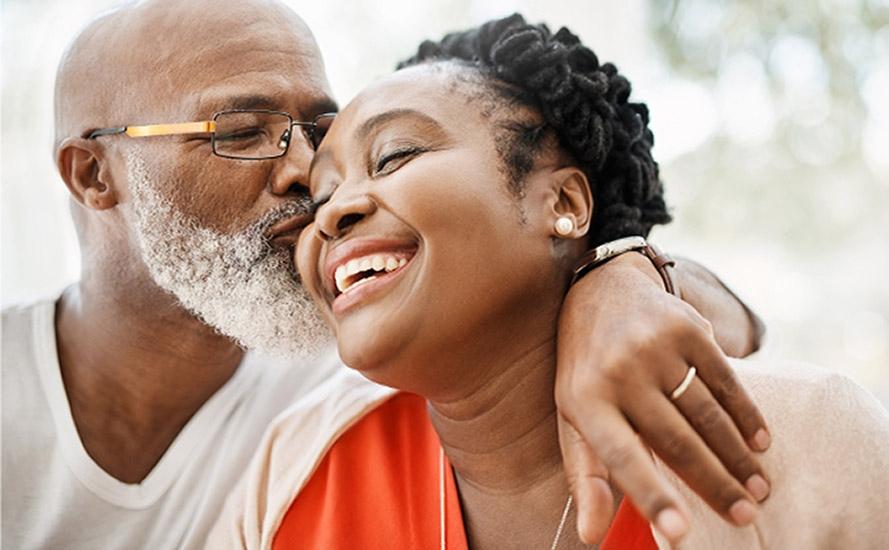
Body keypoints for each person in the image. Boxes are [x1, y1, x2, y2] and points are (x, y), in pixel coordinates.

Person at [3, 2, 768, 548]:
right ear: (94, 173)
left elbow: (741, 329)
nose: (307, 176)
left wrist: (619, 275)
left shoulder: (356, 372)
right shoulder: (15, 392)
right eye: (242, 133)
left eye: (316, 134)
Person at [209, 14, 889, 549]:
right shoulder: (294, 469)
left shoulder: (798, 439)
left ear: (563, 204)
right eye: (322, 194)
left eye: (393, 156)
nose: (335, 211)